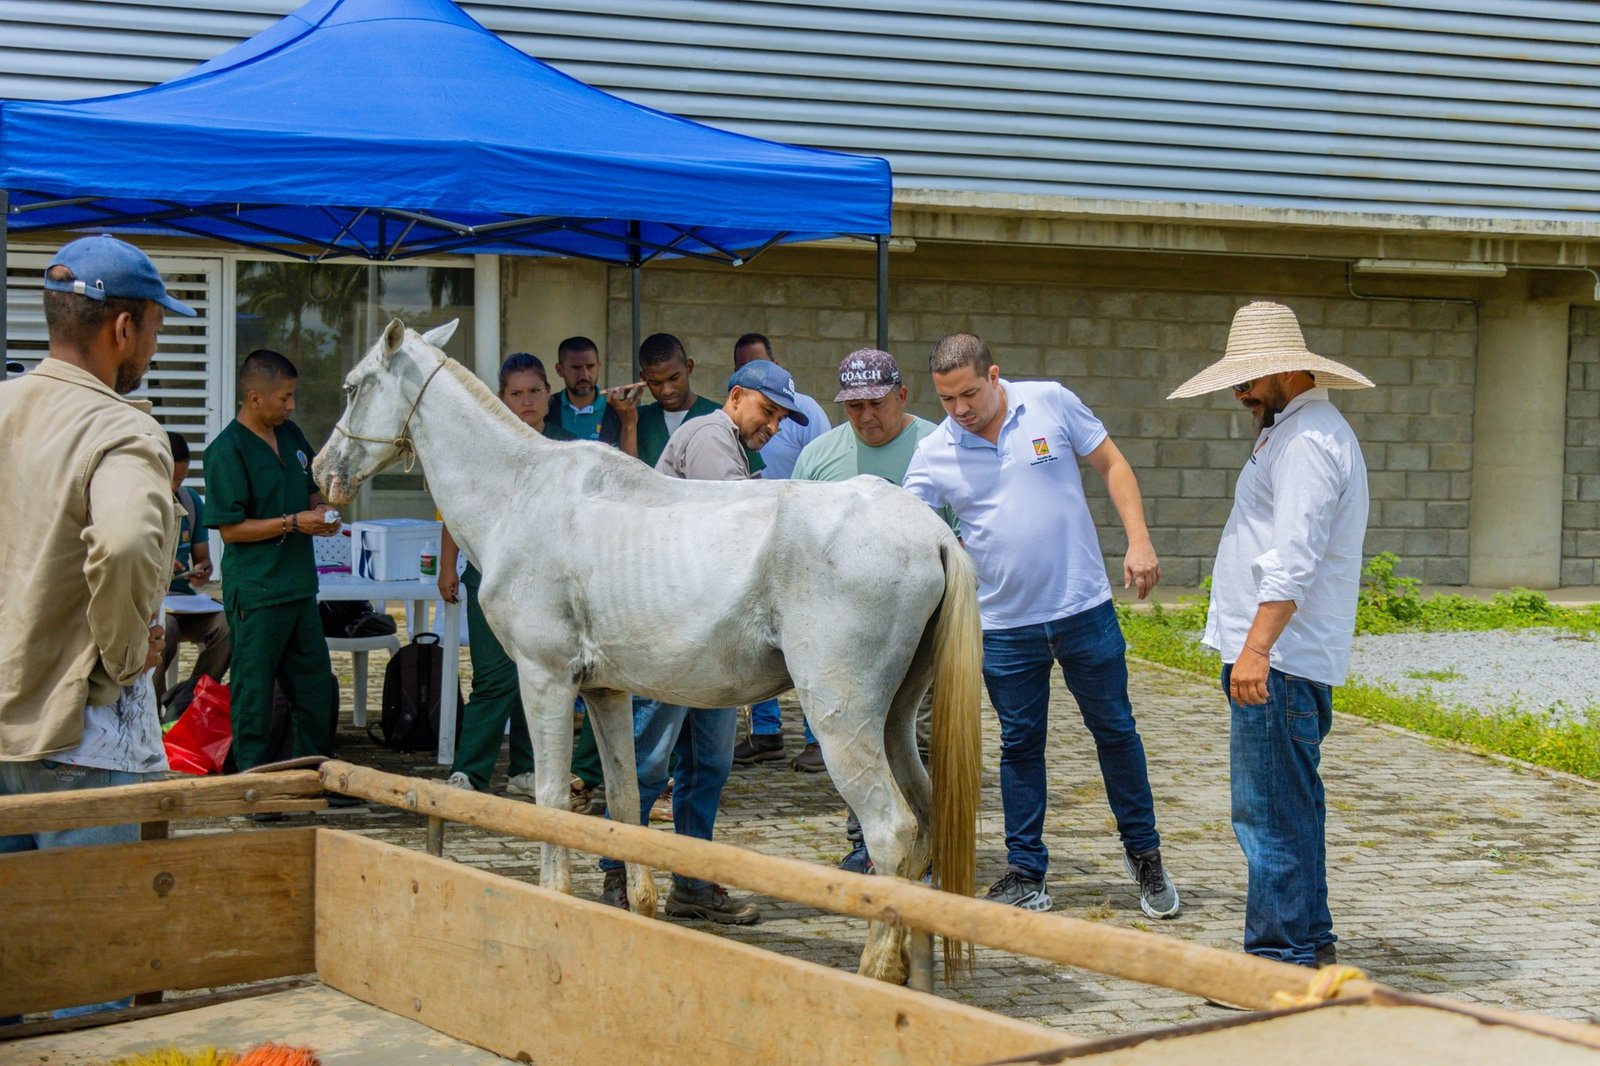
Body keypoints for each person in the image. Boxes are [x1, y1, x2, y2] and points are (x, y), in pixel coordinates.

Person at [902, 332, 1180, 918]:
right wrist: (946, 546)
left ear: (995, 374)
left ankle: (1145, 856)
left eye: (970, 394)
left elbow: (1112, 463)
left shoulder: (1049, 401)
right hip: (1003, 626)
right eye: (947, 400)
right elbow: (910, 520)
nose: (959, 410)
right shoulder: (936, 451)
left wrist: (1139, 542)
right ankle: (1026, 871)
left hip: (1084, 609)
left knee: (1117, 733)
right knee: (1020, 745)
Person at [0, 235, 192, 1021]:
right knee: (96, 985)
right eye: (153, 326)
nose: (153, 343)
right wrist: (120, 660)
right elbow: (119, 544)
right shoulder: (121, 430)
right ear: (121, 328)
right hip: (81, 743)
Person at [1168, 301, 1372, 968]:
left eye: (1249, 380)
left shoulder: (1308, 443)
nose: (1240, 393)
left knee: (1268, 817)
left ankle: (1276, 962)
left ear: (1287, 370)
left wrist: (1255, 649)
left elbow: (1294, 556)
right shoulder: (1293, 430)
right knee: (1292, 808)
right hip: (1282, 654)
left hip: (1278, 658)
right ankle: (1309, 944)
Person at [596, 359, 808, 924]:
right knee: (649, 762)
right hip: (671, 635)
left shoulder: (728, 439)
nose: (773, 426)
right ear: (736, 397)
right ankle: (620, 873)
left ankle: (690, 883)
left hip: (708, 638)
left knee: (706, 764)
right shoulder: (714, 435)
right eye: (768, 412)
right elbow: (740, 526)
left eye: (782, 419)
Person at [783, 348, 958, 873]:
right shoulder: (818, 457)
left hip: (924, 618)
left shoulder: (940, 445)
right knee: (855, 730)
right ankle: (868, 840)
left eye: (876, 403)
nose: (865, 417)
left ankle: (931, 838)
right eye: (853, 406)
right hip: (847, 628)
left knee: (919, 731)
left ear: (902, 396)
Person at [440, 353, 602, 809]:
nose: (527, 401)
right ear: (501, 399)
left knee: (546, 678)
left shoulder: (568, 448)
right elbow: (456, 511)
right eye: (516, 393)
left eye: (534, 391)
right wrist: (448, 566)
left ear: (548, 395)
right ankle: (468, 773)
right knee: (494, 678)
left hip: (554, 584)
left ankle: (527, 770)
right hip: (491, 577)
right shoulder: (485, 449)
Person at [204, 349, 341, 775]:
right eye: (284, 398)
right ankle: (255, 783)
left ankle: (315, 775)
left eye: (293, 396)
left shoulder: (292, 436)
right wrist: (293, 523)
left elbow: (309, 487)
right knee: (254, 693)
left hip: (299, 588)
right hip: (257, 593)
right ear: (254, 397)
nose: (291, 406)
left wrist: (321, 509)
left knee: (316, 688)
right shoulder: (226, 451)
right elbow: (230, 529)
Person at [730, 333, 828, 767]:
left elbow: (823, 470)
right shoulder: (732, 428)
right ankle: (765, 732)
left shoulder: (806, 413)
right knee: (756, 640)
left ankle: (816, 738)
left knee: (806, 641)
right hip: (752, 544)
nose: (771, 423)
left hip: (798, 539)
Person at [157, 431, 232, 705]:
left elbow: (204, 560)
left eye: (183, 478)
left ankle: (191, 700)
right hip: (153, 606)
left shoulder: (189, 501)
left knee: (229, 626)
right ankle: (153, 713)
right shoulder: (137, 505)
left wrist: (201, 570)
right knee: (165, 628)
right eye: (171, 479)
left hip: (185, 602)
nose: (177, 486)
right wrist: (160, 565)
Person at [633, 332, 722, 468]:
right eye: (656, 383)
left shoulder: (721, 417)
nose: (666, 391)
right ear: (643, 378)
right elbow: (625, 481)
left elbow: (752, 482)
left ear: (689, 367)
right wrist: (628, 425)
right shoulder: (636, 420)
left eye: (674, 378)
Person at [549, 335, 640, 455]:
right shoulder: (547, 409)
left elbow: (631, 467)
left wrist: (628, 422)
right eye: (576, 368)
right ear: (560, 370)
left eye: (590, 366)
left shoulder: (618, 411)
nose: (584, 376)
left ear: (598, 366)